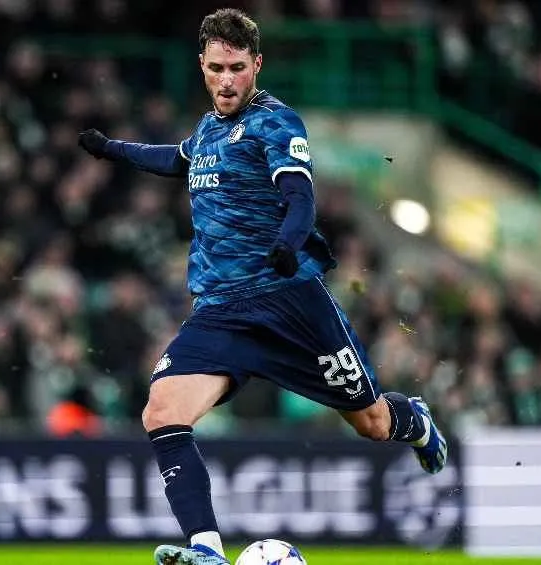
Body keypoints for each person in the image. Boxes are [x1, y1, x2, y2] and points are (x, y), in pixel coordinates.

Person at [78, 9, 447, 565]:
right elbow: (174, 160)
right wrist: (111, 150)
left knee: (371, 423)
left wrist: (288, 242)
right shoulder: (206, 131)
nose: (226, 81)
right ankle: (206, 548)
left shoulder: (276, 123)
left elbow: (300, 196)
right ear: (201, 65)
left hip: (287, 301)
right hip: (220, 311)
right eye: (216, 68)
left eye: (238, 68)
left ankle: (414, 422)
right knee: (161, 411)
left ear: (257, 66)